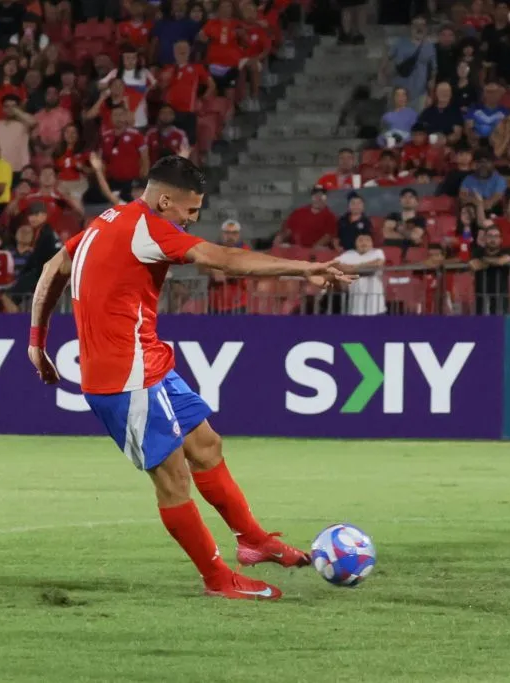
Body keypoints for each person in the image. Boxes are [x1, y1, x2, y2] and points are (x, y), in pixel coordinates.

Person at [26, 155, 355, 600]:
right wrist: (304, 268)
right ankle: (218, 579)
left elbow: (51, 272)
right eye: (191, 210)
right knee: (172, 478)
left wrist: (36, 340)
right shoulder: (150, 229)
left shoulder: (107, 220)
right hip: (127, 380)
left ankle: (254, 541)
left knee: (206, 445)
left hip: (152, 364)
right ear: (165, 200)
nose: (193, 219)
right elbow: (223, 260)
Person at [335, 233, 386, 315]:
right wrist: (363, 268)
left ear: (372, 243)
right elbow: (335, 265)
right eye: (360, 240)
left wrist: (352, 268)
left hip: (375, 302)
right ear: (355, 242)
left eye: (367, 240)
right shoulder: (348, 254)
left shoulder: (377, 252)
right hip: (355, 301)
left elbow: (377, 264)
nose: (364, 243)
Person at [469, 225, 510, 314]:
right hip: (481, 295)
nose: (493, 239)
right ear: (485, 238)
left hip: (500, 296)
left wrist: (484, 261)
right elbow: (474, 265)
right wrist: (496, 262)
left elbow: (502, 261)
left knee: (499, 324)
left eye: (496, 236)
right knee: (481, 325)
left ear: (501, 239)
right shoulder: (477, 251)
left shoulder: (507, 250)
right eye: (490, 236)